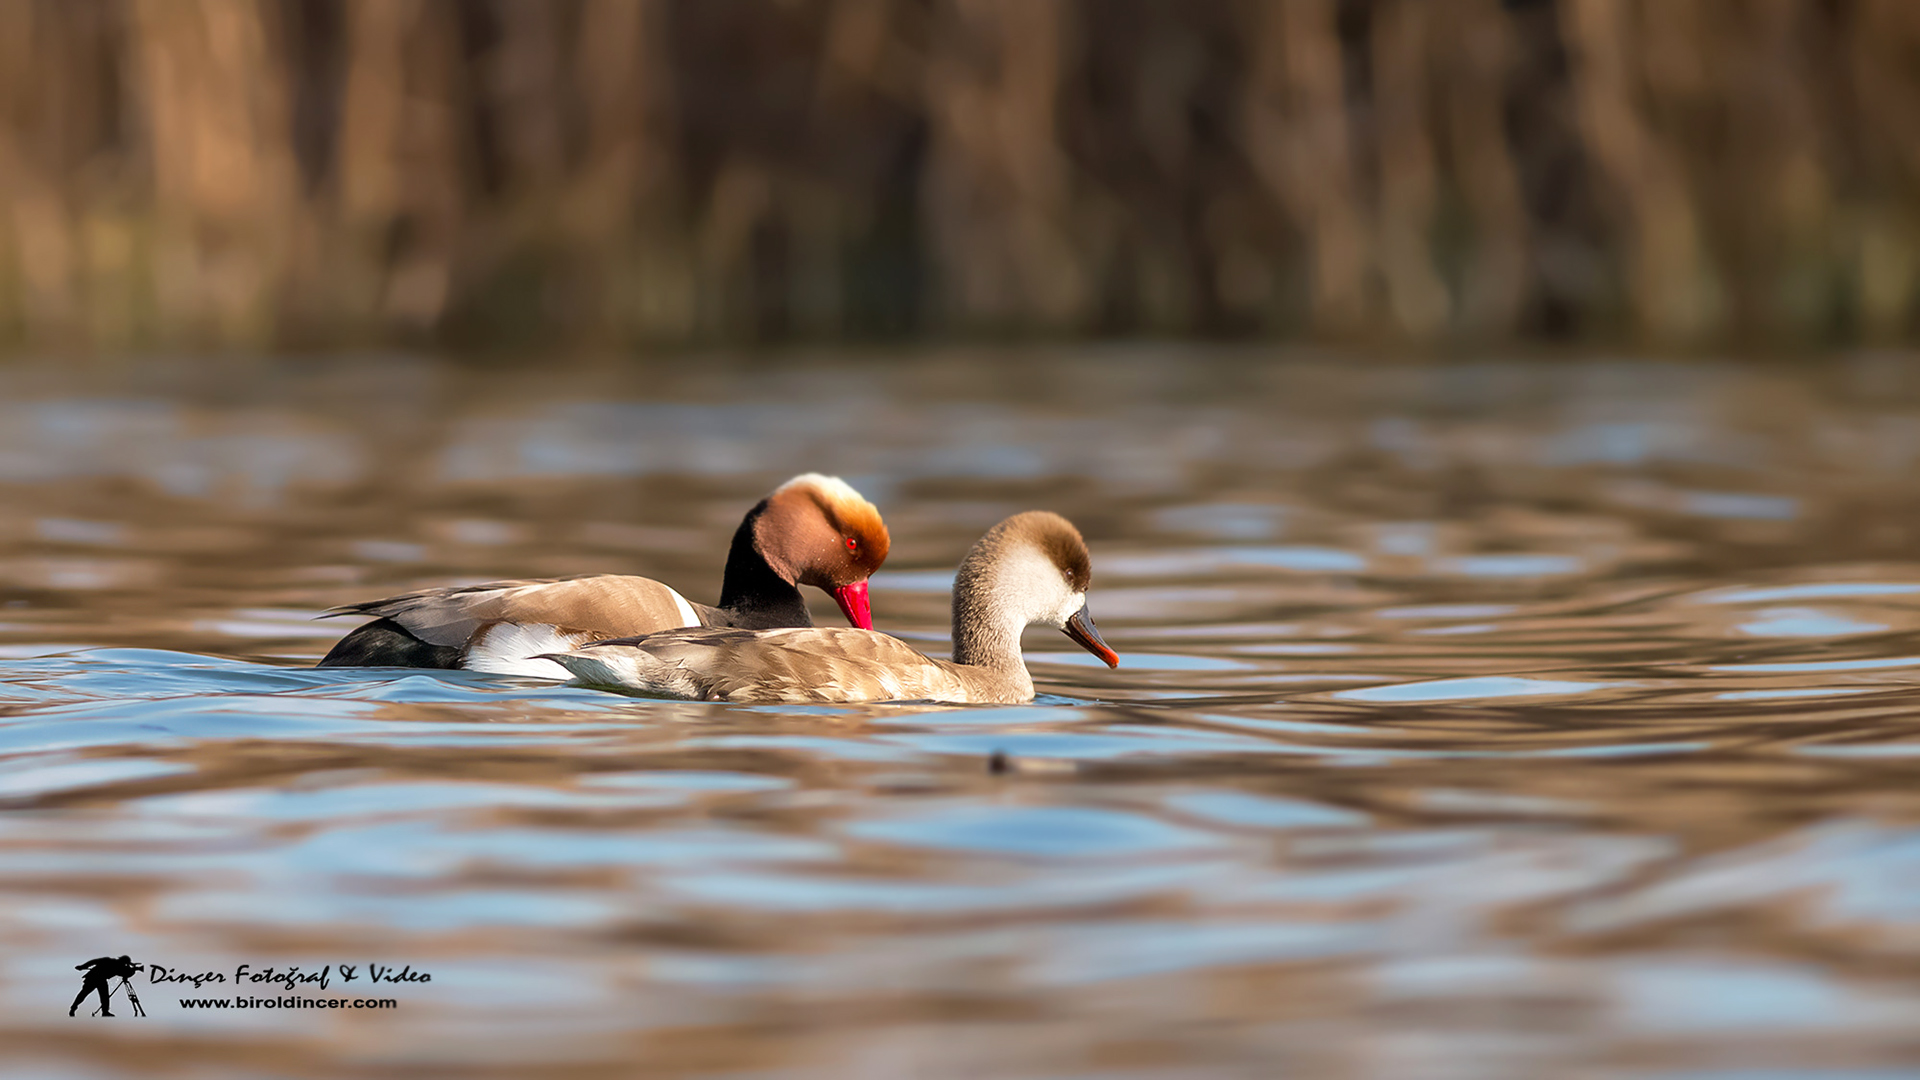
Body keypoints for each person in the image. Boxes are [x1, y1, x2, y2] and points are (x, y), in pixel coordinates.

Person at [70, 955, 139, 1017]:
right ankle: (73, 1008)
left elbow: (126, 973)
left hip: (100, 979)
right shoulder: (110, 961)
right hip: (93, 978)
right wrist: (83, 966)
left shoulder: (118, 967)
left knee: (104, 996)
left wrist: (132, 969)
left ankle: (105, 1012)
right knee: (84, 994)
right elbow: (94, 961)